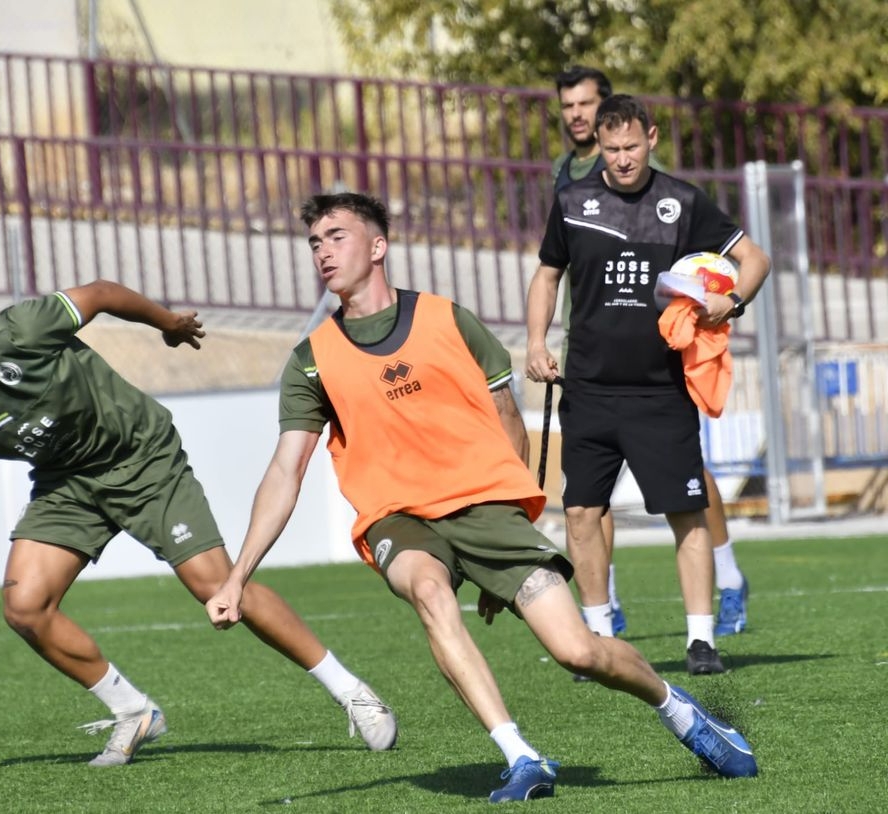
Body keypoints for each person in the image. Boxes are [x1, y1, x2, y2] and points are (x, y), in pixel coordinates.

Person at [206, 191, 757, 803]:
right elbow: (285, 472)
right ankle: (521, 756)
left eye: (337, 236)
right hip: (399, 518)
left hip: (486, 508)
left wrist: (512, 523)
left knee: (578, 653)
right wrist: (237, 577)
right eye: (315, 242)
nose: (323, 252)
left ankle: (680, 711)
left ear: (378, 246)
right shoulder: (311, 362)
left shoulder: (448, 319)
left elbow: (507, 424)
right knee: (428, 590)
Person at [0, 277, 397, 767]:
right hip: (67, 483)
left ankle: (350, 690)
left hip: (142, 458)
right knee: (24, 606)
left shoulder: (19, 331)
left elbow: (100, 294)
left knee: (217, 587)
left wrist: (167, 322)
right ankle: (133, 712)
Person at [526, 95, 770, 676]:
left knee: (685, 513)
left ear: (652, 137)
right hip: (588, 386)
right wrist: (536, 343)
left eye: (631, 146)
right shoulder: (573, 201)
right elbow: (547, 274)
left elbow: (755, 259)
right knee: (582, 513)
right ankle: (597, 639)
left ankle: (701, 641)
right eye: (611, 150)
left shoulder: (682, 201)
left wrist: (730, 299)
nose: (622, 159)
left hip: (662, 391)